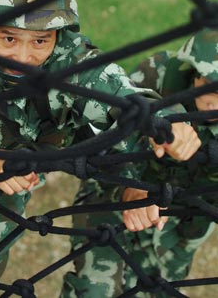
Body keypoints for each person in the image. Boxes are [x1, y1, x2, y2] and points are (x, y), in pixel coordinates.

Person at [0, 0, 200, 298]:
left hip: (1, 187)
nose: (24, 57)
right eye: (8, 38)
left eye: (40, 40)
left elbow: (122, 95)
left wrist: (164, 124)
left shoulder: (70, 58)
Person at [62, 28, 218, 298]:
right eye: (209, 86)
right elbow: (101, 142)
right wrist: (131, 188)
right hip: (114, 194)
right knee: (94, 290)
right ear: (195, 70)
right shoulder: (157, 73)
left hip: (183, 221)